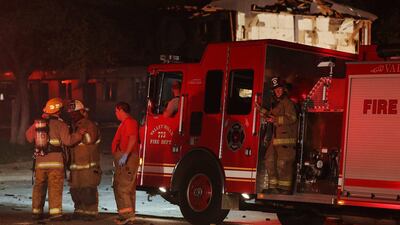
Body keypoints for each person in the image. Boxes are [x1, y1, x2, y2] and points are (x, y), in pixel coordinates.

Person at [25, 97, 85, 221]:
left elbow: (28, 137)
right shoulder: (61, 124)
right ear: (58, 111)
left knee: (39, 187)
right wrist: (79, 134)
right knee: (55, 188)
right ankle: (55, 213)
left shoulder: (39, 123)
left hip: (40, 163)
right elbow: (68, 141)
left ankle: (36, 212)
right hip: (56, 164)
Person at [257, 77, 298, 195]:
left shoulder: (288, 103)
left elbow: (292, 118)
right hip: (276, 140)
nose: (277, 91)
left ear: (284, 89)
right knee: (269, 160)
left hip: (286, 141)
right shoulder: (277, 104)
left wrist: (276, 119)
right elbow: (271, 115)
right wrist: (260, 110)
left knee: (283, 163)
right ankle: (273, 186)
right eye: (275, 90)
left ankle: (284, 189)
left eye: (279, 89)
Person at [67, 100, 101, 221]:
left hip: (88, 166)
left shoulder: (89, 124)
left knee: (88, 190)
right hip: (76, 167)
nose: (72, 116)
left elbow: (89, 139)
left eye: (75, 113)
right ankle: (79, 210)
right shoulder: (73, 126)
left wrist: (78, 134)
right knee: (76, 190)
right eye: (71, 113)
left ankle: (91, 213)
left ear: (82, 112)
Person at [112, 102, 140, 225]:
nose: (115, 114)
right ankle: (126, 215)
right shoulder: (125, 123)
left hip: (127, 160)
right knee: (124, 188)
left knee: (123, 188)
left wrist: (125, 155)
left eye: (116, 111)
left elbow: (133, 138)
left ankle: (127, 216)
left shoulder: (129, 122)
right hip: (125, 159)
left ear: (120, 110)